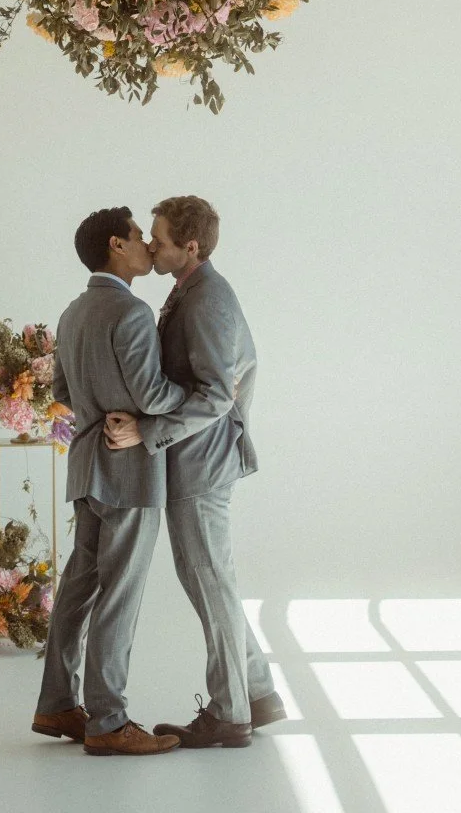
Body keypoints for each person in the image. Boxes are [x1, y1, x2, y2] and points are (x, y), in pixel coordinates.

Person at [105, 195, 287, 748]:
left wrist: (146, 431)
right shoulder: (189, 291)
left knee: (209, 581)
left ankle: (230, 714)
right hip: (198, 460)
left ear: (190, 245)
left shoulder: (207, 298)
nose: (150, 243)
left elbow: (214, 396)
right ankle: (256, 692)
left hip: (201, 463)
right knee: (212, 580)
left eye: (157, 236)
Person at [31, 206, 183, 757]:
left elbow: (65, 392)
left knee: (79, 587)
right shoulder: (133, 312)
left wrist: (103, 414)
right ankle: (109, 721)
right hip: (129, 472)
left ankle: (56, 704)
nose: (147, 244)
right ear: (117, 246)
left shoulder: (72, 314)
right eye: (140, 236)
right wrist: (202, 398)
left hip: (85, 468)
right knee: (118, 594)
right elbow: (152, 397)